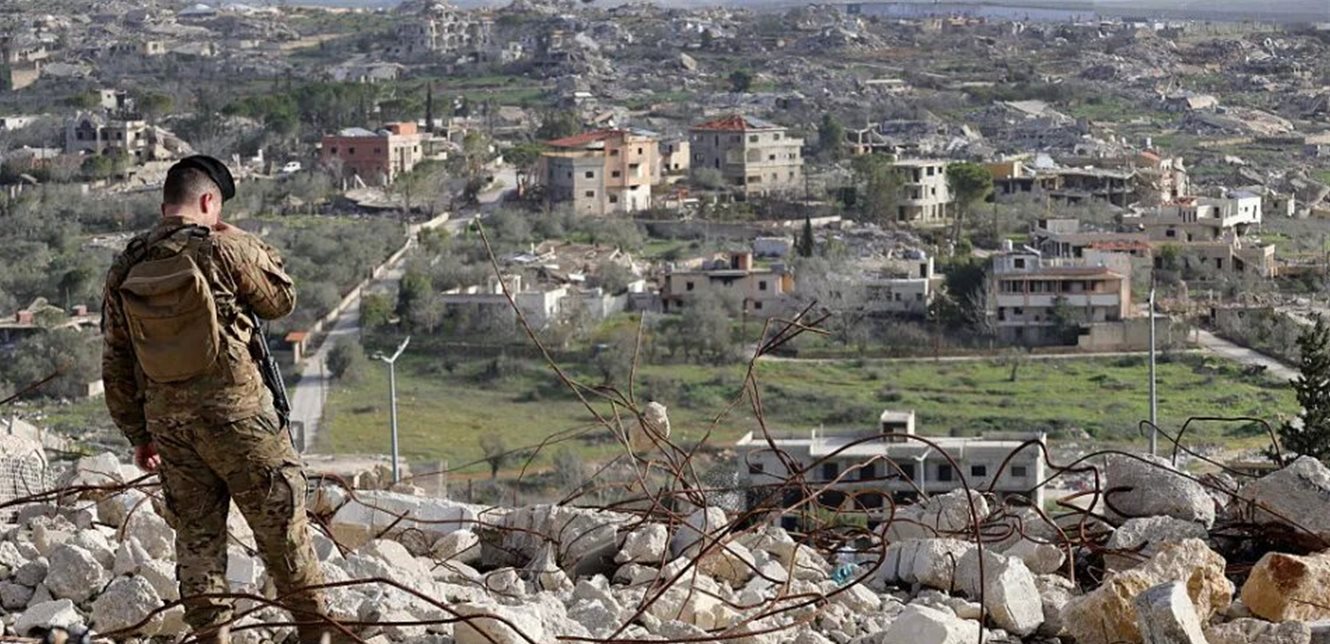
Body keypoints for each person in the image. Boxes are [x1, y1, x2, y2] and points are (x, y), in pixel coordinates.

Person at [101, 156, 332, 644]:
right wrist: (240, 237)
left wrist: (139, 435)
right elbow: (280, 299)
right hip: (240, 418)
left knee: (197, 540)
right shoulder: (223, 248)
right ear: (209, 201)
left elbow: (116, 361)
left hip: (171, 428)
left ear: (164, 206)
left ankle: (213, 637)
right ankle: (318, 633)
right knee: (282, 529)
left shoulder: (127, 264)